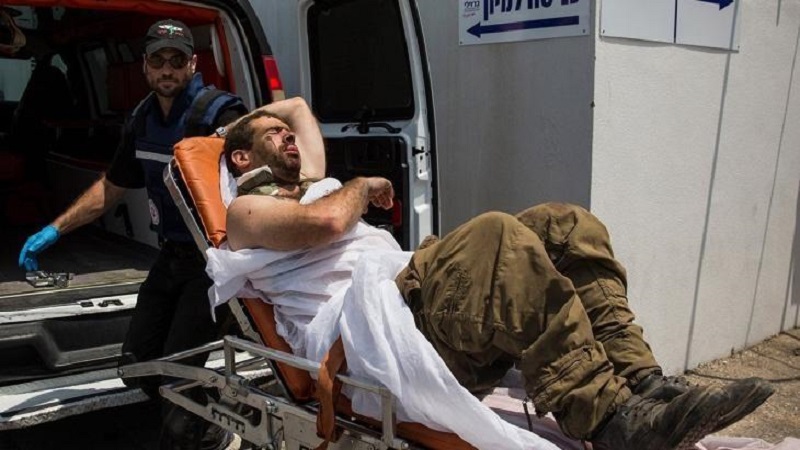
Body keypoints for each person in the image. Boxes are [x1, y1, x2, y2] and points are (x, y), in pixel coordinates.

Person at [207, 102, 774, 450]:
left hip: (405, 306)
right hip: (368, 344)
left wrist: (252, 121)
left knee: (563, 223)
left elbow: (300, 108)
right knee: (495, 235)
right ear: (240, 160)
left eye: (286, 133)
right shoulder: (247, 213)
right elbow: (329, 222)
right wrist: (364, 184)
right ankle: (608, 420)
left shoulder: (311, 184)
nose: (289, 136)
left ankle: (643, 383)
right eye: (272, 135)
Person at [17, 19, 247, 450]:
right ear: (144, 66)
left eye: (176, 60)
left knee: (177, 383)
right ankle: (211, 423)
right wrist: (54, 229)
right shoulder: (143, 118)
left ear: (193, 65)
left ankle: (199, 432)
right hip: (170, 257)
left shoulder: (218, 115)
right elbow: (113, 185)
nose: (167, 69)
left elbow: (258, 181)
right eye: (158, 60)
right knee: (137, 364)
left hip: (212, 265)